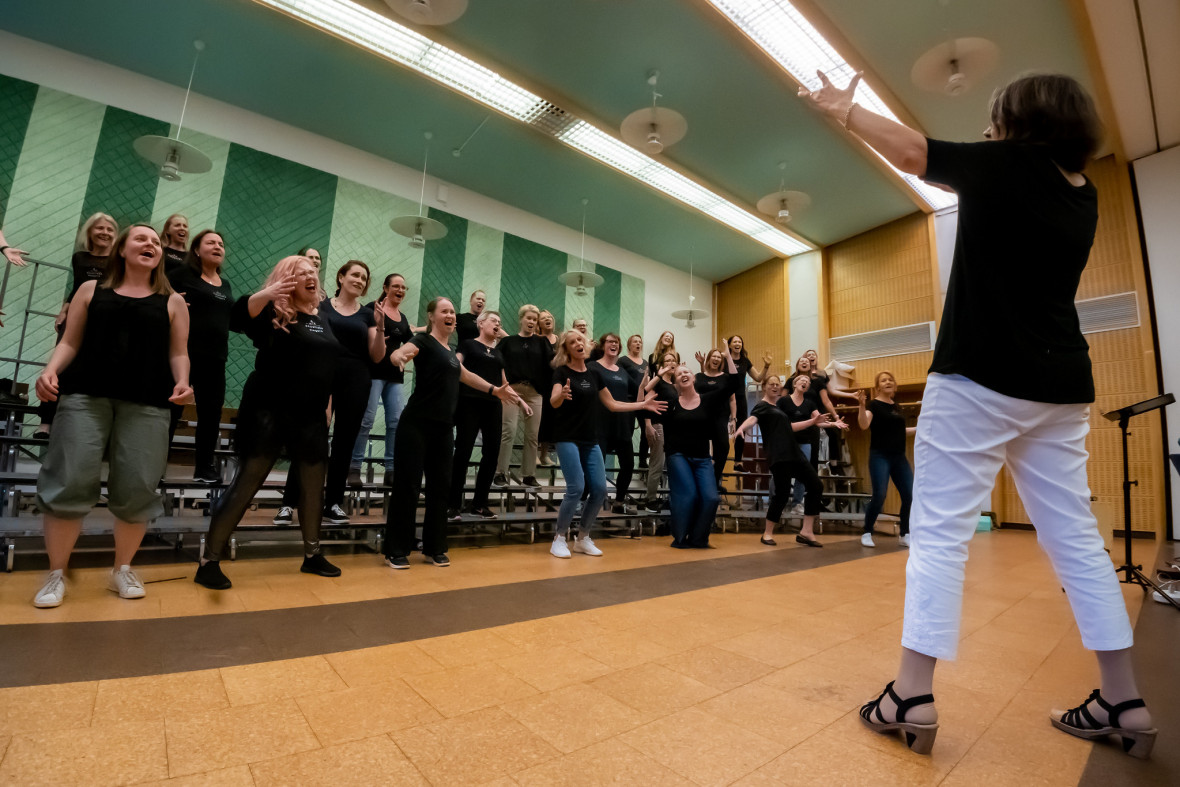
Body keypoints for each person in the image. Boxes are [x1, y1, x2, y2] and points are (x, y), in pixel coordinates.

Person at [801, 70, 1155, 755]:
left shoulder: (1005, 164)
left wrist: (846, 110)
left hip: (977, 377)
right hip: (1060, 385)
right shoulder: (1083, 193)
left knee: (938, 533)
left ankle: (911, 694)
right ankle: (1124, 700)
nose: (989, 128)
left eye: (996, 116)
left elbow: (914, 152)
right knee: (1078, 540)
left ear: (1019, 119)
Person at [31, 224, 192, 608]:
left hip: (148, 404)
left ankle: (123, 568)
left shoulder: (173, 301)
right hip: (84, 397)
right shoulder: (90, 290)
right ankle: (56, 574)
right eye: (141, 238)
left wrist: (183, 381)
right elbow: (70, 341)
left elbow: (179, 352)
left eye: (154, 241)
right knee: (69, 482)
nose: (150, 244)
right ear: (122, 248)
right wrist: (50, 369)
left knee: (137, 488)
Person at [193, 255, 341, 590]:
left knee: (313, 486)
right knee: (248, 482)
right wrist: (269, 294)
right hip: (269, 409)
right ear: (286, 280)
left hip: (311, 414)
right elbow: (236, 317)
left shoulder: (323, 317)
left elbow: (327, 365)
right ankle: (209, 561)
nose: (311, 276)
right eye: (301, 273)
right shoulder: (272, 313)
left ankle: (312, 555)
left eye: (313, 272)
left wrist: (328, 405)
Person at [383, 297, 527, 570]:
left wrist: (494, 390)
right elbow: (402, 352)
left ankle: (434, 546)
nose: (450, 315)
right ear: (432, 317)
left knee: (440, 489)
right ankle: (396, 549)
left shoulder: (450, 351)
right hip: (416, 425)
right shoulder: (423, 341)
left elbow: (466, 375)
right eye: (444, 311)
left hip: (443, 428)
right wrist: (398, 356)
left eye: (452, 311)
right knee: (408, 487)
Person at [279, 261, 384, 526]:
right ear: (341, 278)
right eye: (355, 275)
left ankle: (333, 503)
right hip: (321, 376)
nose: (359, 280)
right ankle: (289, 503)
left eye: (364, 278)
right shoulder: (321, 306)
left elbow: (377, 356)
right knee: (310, 439)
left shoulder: (368, 314)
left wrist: (381, 327)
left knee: (344, 442)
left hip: (356, 379)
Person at [548, 330, 664, 559]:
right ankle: (559, 538)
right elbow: (553, 401)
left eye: (580, 340)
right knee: (576, 488)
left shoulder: (594, 373)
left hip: (590, 439)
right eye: (572, 342)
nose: (578, 343)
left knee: (600, 490)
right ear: (566, 349)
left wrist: (641, 406)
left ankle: (583, 538)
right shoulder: (562, 372)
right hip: (567, 437)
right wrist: (562, 395)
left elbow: (612, 404)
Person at [36, 213, 119, 440]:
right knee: (59, 367)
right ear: (90, 231)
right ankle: (45, 422)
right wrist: (64, 309)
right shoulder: (80, 257)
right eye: (100, 228)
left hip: (103, 318)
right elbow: (77, 287)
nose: (104, 232)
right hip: (76, 314)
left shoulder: (119, 260)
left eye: (109, 229)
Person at [167, 229, 234, 483]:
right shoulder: (180, 275)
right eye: (211, 243)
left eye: (220, 244)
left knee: (211, 413)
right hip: (184, 353)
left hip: (215, 358)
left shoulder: (225, 285)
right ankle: (156, 465)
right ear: (196, 250)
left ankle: (204, 468)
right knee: (172, 410)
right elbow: (161, 298)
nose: (217, 246)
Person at [733, 376, 827, 548]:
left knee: (816, 485)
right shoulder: (762, 406)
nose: (775, 387)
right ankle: (767, 533)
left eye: (778, 384)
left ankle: (806, 531)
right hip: (779, 455)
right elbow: (752, 419)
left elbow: (791, 427)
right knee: (782, 493)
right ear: (764, 387)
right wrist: (741, 428)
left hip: (794, 453)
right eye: (771, 384)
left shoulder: (779, 408)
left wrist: (813, 421)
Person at [350, 273, 416, 491]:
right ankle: (354, 468)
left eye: (403, 287)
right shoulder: (372, 308)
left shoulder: (402, 318)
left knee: (395, 422)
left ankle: (391, 470)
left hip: (395, 377)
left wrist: (405, 358)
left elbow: (414, 344)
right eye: (396, 286)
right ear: (386, 288)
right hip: (373, 373)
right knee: (366, 421)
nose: (400, 290)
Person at [663, 359, 738, 548]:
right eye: (679, 374)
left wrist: (727, 355)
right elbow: (646, 406)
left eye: (686, 372)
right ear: (675, 382)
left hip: (702, 457)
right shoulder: (671, 404)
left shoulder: (708, 399)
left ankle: (698, 538)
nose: (683, 375)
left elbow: (733, 384)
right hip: (677, 455)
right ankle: (680, 538)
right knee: (689, 495)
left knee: (711, 498)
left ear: (694, 377)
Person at [449, 310, 513, 519]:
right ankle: (453, 504)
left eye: (499, 321)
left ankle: (479, 504)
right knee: (463, 451)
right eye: (494, 320)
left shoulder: (498, 353)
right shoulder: (468, 344)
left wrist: (520, 401)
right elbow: (455, 365)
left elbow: (504, 382)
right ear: (481, 323)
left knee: (492, 453)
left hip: (493, 405)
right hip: (469, 402)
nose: (497, 324)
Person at [856, 372, 915, 548]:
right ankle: (867, 532)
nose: (888, 382)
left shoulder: (896, 406)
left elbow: (900, 432)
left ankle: (904, 534)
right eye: (883, 380)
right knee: (880, 494)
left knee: (909, 495)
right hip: (880, 456)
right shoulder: (873, 405)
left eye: (890, 380)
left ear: (894, 385)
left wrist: (920, 429)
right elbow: (864, 425)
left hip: (899, 457)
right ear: (878, 387)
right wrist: (861, 406)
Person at [495, 304, 549, 488]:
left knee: (533, 435)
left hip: (534, 392)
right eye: (529, 318)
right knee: (508, 431)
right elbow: (497, 364)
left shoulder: (542, 342)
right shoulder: (508, 342)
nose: (532, 322)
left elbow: (552, 364)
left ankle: (528, 475)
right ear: (521, 319)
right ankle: (500, 472)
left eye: (535, 319)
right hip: (512, 390)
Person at [589, 334, 638, 513]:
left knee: (628, 464)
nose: (614, 344)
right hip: (599, 424)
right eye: (610, 341)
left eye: (617, 342)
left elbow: (638, 392)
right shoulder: (592, 367)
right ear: (603, 346)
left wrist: (655, 379)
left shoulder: (622, 371)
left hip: (621, 425)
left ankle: (619, 502)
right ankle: (586, 502)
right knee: (596, 466)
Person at [641, 350, 679, 512]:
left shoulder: (673, 384)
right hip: (658, 426)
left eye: (673, 360)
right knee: (656, 464)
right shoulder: (658, 382)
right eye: (667, 361)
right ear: (662, 365)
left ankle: (670, 499)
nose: (671, 363)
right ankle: (650, 500)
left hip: (671, 429)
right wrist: (648, 425)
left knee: (671, 465)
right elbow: (645, 392)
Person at [694, 348, 738, 487]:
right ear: (709, 359)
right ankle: (702, 480)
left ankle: (715, 478)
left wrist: (734, 418)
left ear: (721, 361)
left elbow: (732, 400)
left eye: (719, 357)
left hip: (721, 417)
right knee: (700, 450)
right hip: (702, 418)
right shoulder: (699, 376)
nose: (716, 359)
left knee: (723, 448)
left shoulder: (726, 377)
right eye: (714, 356)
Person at [727, 336, 772, 471]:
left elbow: (758, 378)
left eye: (739, 342)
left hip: (740, 399)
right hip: (725, 398)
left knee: (741, 428)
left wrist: (766, 366)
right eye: (735, 341)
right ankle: (717, 460)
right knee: (721, 428)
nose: (737, 344)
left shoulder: (745, 361)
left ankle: (737, 462)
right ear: (729, 345)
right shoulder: (724, 360)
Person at [778, 372, 820, 516]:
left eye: (807, 381)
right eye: (802, 380)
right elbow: (777, 420)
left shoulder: (810, 403)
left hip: (805, 442)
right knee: (781, 472)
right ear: (795, 384)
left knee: (803, 472)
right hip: (786, 441)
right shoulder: (783, 401)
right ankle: (776, 502)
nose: (805, 382)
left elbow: (819, 420)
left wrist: (834, 423)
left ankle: (797, 503)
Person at [619, 335, 648, 468]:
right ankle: (627, 461)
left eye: (640, 342)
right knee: (628, 431)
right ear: (629, 345)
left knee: (646, 430)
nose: (638, 344)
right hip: (629, 400)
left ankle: (642, 461)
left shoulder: (645, 363)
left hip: (643, 401)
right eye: (635, 342)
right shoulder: (622, 361)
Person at [536, 309, 560, 467]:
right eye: (543, 318)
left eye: (549, 317)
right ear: (539, 324)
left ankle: (544, 455)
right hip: (541, 383)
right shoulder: (537, 339)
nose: (547, 319)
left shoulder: (559, 340)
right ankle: (534, 454)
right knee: (539, 421)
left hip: (556, 383)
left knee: (550, 421)